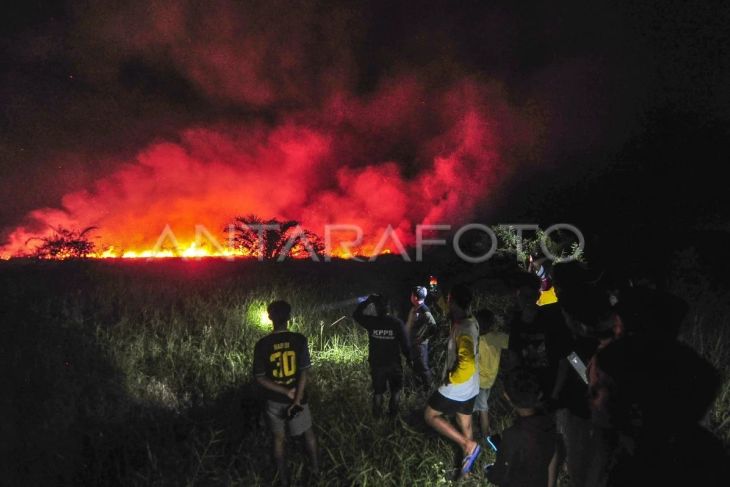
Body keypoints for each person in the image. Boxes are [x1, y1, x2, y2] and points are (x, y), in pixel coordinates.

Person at [253, 300, 318, 486]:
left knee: (278, 438)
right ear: (289, 317)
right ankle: (316, 471)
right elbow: (304, 373)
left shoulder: (262, 344)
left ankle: (283, 480)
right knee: (308, 434)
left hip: (274, 400)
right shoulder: (299, 339)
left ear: (269, 317)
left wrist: (284, 391)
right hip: (299, 400)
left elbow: (260, 377)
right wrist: (296, 399)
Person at [423, 284, 481, 478]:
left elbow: (467, 364)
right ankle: (467, 472)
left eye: (449, 299)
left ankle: (467, 444)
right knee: (465, 425)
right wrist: (438, 295)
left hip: (458, 385)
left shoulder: (464, 329)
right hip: (472, 386)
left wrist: (450, 378)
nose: (447, 303)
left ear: (454, 302)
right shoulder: (469, 320)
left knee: (430, 416)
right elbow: (449, 311)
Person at [486, 368, 558, 487]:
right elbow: (553, 455)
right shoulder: (549, 423)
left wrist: (489, 471)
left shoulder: (512, 435)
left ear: (507, 397)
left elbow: (498, 476)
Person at [353, 294, 410, 417]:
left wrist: (368, 301)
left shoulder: (372, 322)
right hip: (394, 364)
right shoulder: (397, 323)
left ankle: (377, 418)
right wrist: (410, 360)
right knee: (396, 391)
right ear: (389, 307)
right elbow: (406, 346)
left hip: (377, 364)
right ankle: (393, 417)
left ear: (377, 307)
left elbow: (356, 315)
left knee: (378, 392)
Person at [473, 308, 509, 439]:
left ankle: (485, 436)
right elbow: (512, 341)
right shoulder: (497, 337)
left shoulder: (476, 341)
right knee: (482, 404)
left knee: (483, 410)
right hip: (490, 380)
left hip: (478, 382)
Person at [406, 286, 437, 392]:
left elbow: (433, 327)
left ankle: (429, 389)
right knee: (416, 368)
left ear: (414, 297)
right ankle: (419, 389)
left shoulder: (424, 310)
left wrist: (422, 338)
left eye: (411, 294)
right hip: (413, 344)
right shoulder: (415, 308)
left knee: (423, 368)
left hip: (420, 346)